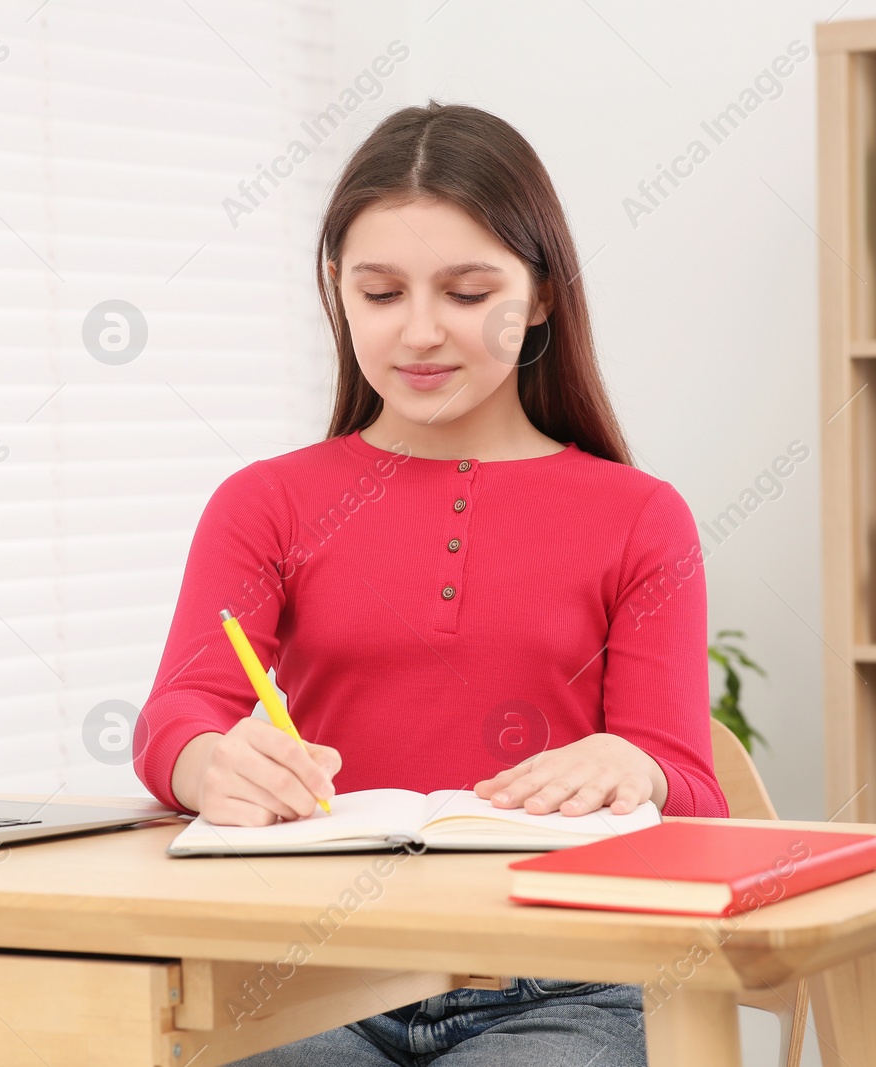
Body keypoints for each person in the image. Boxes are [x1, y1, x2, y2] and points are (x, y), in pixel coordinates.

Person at [133, 100, 726, 1067]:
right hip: (310, 972)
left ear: (539, 296)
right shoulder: (265, 502)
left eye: (465, 291)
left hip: (562, 984)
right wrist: (210, 764)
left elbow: (694, 790)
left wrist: (641, 768)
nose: (419, 333)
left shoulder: (641, 515)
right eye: (379, 293)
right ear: (338, 294)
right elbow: (179, 715)